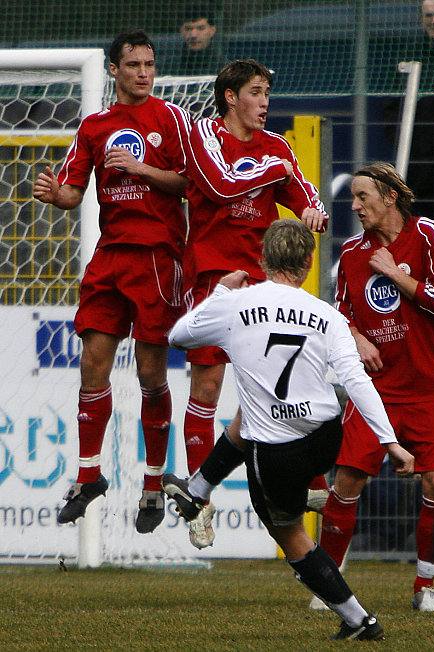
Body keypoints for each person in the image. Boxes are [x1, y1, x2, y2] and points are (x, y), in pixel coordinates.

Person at [167, 219, 414, 640]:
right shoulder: (327, 314)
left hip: (277, 451)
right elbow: (356, 381)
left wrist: (224, 291)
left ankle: (359, 621)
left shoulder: (236, 303)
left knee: (288, 532)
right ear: (308, 262)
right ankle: (199, 490)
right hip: (323, 436)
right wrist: (390, 441)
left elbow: (178, 336)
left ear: (262, 260)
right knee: (252, 411)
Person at [33, 30, 192, 534]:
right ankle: (88, 476)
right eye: (134, 65)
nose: (144, 73)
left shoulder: (171, 118)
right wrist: (55, 194)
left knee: (150, 373)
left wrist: (141, 167)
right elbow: (74, 193)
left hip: (156, 257)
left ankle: (151, 484)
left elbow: (190, 182)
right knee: (93, 362)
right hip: (110, 255)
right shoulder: (95, 126)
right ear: (114, 71)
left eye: (149, 64)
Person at [176, 58, 328, 549]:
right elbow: (220, 188)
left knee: (285, 378)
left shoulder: (277, 147)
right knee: (208, 382)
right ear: (231, 96)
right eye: (257, 92)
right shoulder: (204, 135)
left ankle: (311, 482)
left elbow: (306, 192)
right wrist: (273, 171)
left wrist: (310, 208)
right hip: (216, 277)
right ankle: (200, 500)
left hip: (265, 281)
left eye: (267, 93)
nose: (265, 102)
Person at [318, 162, 434, 612]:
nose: (355, 206)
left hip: (427, 386)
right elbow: (339, 315)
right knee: (347, 479)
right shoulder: (352, 253)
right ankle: (329, 586)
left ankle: (425, 588)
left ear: (391, 196)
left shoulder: (431, 234)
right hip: (373, 390)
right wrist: (357, 338)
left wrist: (395, 272)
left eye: (363, 197)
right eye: (353, 198)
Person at [382, 0, 434, 235]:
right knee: (413, 229)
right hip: (414, 164)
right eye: (428, 16)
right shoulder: (408, 55)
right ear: (420, 19)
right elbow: (391, 106)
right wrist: (401, 145)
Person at [160, 4, 228, 76]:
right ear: (181, 30)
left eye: (201, 28)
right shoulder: (168, 68)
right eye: (188, 29)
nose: (193, 35)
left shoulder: (225, 69)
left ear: (212, 30)